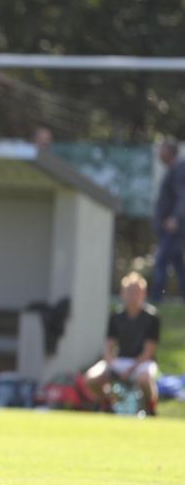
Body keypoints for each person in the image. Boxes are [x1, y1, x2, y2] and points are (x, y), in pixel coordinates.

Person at [84, 272, 160, 416]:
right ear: (122, 293)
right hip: (120, 360)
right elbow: (109, 346)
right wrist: (112, 363)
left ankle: (151, 408)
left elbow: (148, 351)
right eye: (129, 292)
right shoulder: (116, 316)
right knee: (91, 378)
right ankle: (108, 404)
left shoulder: (152, 318)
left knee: (144, 379)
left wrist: (130, 370)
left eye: (136, 292)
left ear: (143, 294)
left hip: (142, 362)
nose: (132, 296)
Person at [150, 140, 185, 303]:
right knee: (178, 264)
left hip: (174, 227)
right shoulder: (172, 170)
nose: (159, 153)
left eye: (162, 149)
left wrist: (175, 219)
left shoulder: (179, 169)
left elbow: (183, 196)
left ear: (170, 152)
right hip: (170, 227)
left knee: (161, 261)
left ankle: (156, 299)